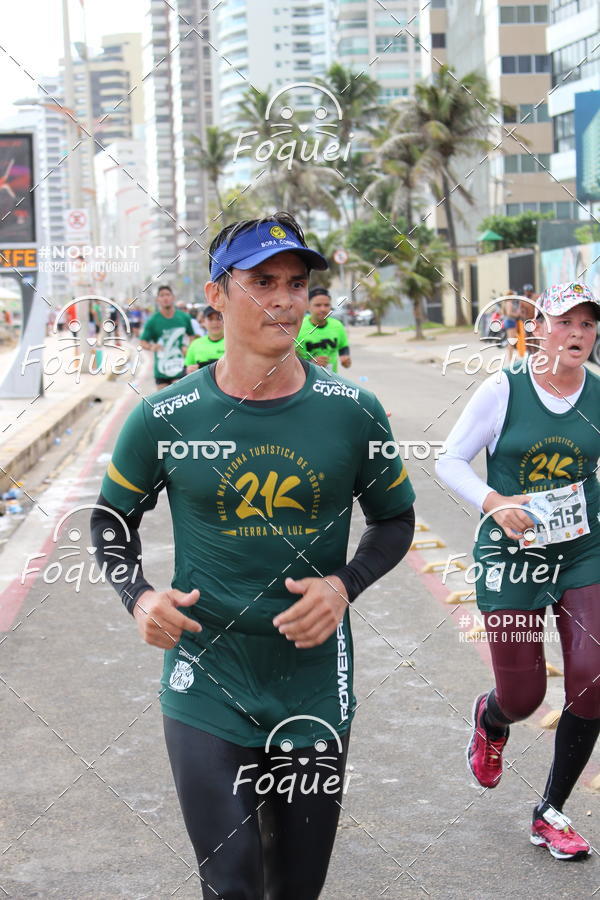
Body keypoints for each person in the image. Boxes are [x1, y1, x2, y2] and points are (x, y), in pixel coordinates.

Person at [91, 212, 416, 898]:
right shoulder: (166, 417)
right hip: (207, 681)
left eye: (296, 283)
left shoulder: (352, 410)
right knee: (233, 883)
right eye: (262, 282)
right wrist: (139, 597)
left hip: (313, 687)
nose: (285, 300)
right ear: (216, 293)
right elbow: (111, 521)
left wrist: (344, 585)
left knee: (294, 888)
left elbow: (395, 519)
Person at [436, 281, 600, 860]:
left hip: (582, 552)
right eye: (564, 322)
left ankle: (551, 811)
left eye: (587, 324)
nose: (577, 333)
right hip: (512, 557)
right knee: (524, 696)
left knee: (594, 679)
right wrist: (495, 503)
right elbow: (449, 460)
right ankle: (492, 717)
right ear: (537, 329)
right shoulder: (503, 389)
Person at [140, 285, 195, 388]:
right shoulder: (153, 320)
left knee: (179, 394)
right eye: (162, 295)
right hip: (162, 369)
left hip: (180, 366)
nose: (165, 298)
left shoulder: (184, 317)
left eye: (168, 295)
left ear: (173, 297)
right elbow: (142, 342)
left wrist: (188, 348)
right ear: (157, 300)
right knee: (163, 397)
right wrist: (151, 347)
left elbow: (192, 336)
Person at [296, 287, 351, 373]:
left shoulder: (337, 325)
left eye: (326, 305)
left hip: (331, 378)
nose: (323, 309)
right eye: (318, 305)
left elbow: (343, 347)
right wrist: (311, 363)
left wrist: (345, 359)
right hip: (306, 378)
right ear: (308, 306)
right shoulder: (298, 327)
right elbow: (289, 360)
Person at [184, 306, 225, 373]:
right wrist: (188, 370)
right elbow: (185, 368)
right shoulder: (196, 344)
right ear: (203, 322)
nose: (215, 322)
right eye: (210, 319)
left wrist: (201, 366)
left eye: (218, 318)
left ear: (225, 320)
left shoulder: (233, 343)